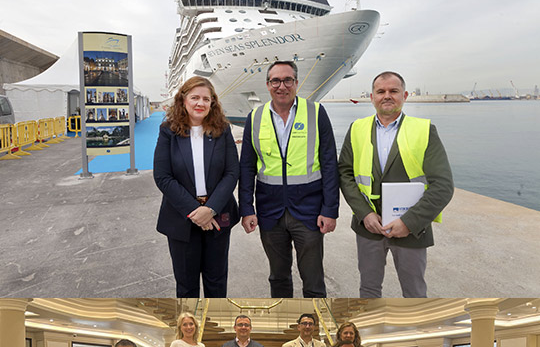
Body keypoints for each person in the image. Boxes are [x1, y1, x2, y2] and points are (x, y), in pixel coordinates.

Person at [338, 71, 454, 298]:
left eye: (393, 91)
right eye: (381, 91)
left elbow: (443, 185)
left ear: (405, 95)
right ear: (372, 97)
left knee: (414, 294)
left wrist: (409, 222)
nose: (387, 96)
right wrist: (365, 214)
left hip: (410, 230)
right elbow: (345, 174)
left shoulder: (424, 130)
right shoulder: (357, 129)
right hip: (369, 227)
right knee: (369, 291)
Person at [239, 60, 339, 297]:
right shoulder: (255, 117)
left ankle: (312, 323)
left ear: (296, 83)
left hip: (309, 211)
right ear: (267, 85)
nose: (281, 86)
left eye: (287, 80)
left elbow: (329, 165)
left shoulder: (316, 112)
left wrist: (330, 209)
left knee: (314, 281)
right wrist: (246, 208)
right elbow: (246, 167)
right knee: (278, 278)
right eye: (275, 80)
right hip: (269, 211)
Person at [154, 76, 239, 297]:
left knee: (217, 283)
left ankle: (214, 327)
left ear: (212, 103)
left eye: (206, 99)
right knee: (186, 285)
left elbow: (232, 173)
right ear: (183, 101)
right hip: (181, 219)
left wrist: (210, 209)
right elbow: (163, 176)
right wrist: (195, 211)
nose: (200, 103)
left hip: (217, 216)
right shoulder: (168, 132)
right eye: (195, 97)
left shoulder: (223, 131)